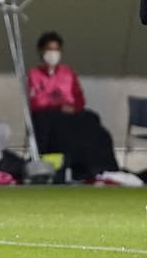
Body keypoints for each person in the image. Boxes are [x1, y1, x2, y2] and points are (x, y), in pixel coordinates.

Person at [27, 31, 132, 185]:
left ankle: (100, 168)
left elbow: (79, 99)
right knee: (54, 124)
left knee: (91, 120)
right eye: (50, 49)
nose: (53, 54)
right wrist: (57, 105)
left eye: (56, 50)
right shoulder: (34, 74)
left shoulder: (68, 73)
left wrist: (72, 107)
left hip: (70, 114)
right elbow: (35, 102)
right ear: (41, 51)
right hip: (47, 116)